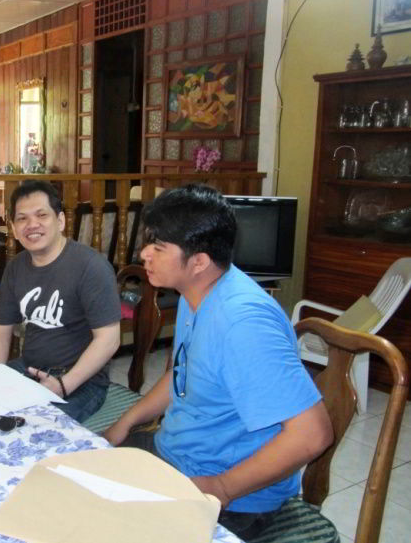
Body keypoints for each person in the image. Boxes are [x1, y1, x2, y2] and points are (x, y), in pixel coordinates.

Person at [103, 185, 333, 540]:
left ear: (198, 262)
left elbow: (311, 434)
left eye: (158, 247)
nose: (144, 253)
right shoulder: (196, 292)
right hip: (175, 454)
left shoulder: (243, 324)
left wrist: (220, 488)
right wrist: (127, 421)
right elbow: (184, 373)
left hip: (234, 494)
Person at [0, 180, 121, 422]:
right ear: (14, 229)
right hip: (29, 368)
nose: (31, 225)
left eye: (41, 215)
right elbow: (0, 332)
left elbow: (109, 340)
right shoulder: (16, 268)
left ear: (60, 221)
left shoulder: (91, 267)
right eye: (22, 219)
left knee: (34, 426)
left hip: (81, 381)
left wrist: (63, 385)